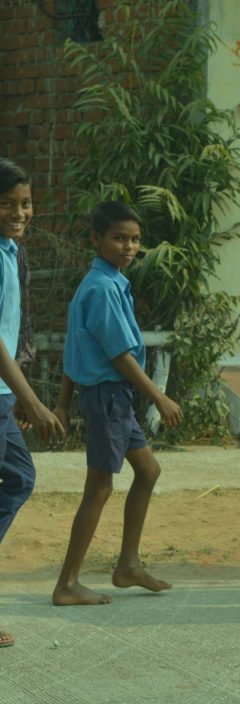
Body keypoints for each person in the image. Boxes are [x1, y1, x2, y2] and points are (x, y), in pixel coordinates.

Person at [52, 201, 183, 606]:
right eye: (119, 238)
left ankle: (128, 564)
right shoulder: (102, 289)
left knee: (148, 470)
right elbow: (118, 356)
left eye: (135, 240)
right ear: (96, 239)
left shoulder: (106, 283)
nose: (128, 246)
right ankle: (67, 584)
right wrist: (159, 396)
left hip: (114, 398)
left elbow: (74, 351)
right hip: (108, 397)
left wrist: (62, 404)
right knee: (100, 487)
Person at [0, 158, 65, 647]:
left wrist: (17, 395)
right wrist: (34, 401)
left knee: (19, 478)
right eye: (6, 203)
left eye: (24, 203)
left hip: (3, 393)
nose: (18, 213)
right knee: (19, 477)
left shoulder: (12, 251)